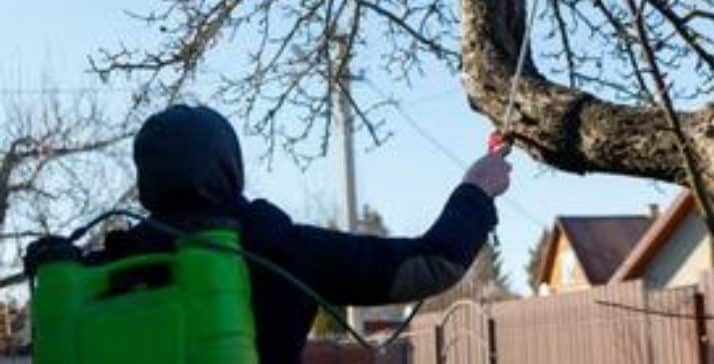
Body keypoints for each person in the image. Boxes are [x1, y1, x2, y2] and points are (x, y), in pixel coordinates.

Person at [102, 105, 511, 363]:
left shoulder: (104, 270)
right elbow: (431, 265)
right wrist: (477, 189)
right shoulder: (277, 246)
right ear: (230, 165)